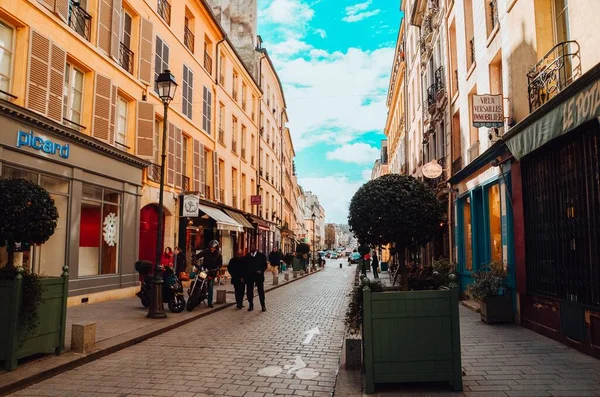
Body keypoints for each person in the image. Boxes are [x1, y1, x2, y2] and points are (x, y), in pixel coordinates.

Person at [195, 240, 222, 308]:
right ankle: (196, 296)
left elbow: (220, 264)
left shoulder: (218, 255)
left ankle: (210, 302)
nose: (212, 249)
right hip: (204, 270)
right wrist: (195, 257)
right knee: (199, 281)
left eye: (214, 248)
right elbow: (199, 255)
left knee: (210, 286)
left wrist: (217, 268)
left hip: (211, 272)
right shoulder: (206, 251)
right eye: (211, 247)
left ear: (216, 248)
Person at [244, 245, 267, 312]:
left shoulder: (261, 256)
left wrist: (261, 270)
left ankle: (263, 305)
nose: (251, 248)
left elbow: (265, 265)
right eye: (250, 247)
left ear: (255, 248)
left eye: (252, 247)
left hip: (258, 276)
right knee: (249, 291)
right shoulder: (247, 256)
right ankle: (251, 304)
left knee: (260, 291)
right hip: (250, 276)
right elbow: (244, 266)